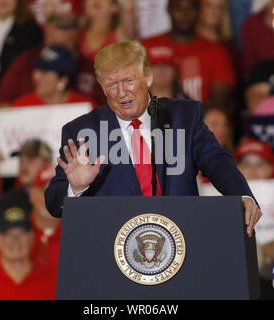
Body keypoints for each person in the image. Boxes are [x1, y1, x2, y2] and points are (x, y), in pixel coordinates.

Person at [45, 41, 262, 238]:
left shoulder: (183, 116)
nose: (121, 93)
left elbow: (216, 161)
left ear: (148, 77)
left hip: (182, 244)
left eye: (129, 80)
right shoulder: (83, 132)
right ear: (102, 88)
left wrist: (242, 195)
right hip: (113, 253)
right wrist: (75, 189)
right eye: (111, 85)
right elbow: (54, 203)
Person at [141, 0, 236, 107]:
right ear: (169, 9)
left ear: (199, 11)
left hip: (201, 121)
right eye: (179, 8)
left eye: (191, 8)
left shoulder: (217, 51)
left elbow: (220, 103)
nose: (185, 14)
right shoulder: (146, 47)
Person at [0, 139, 53, 256]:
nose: (24, 166)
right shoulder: (5, 201)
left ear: (48, 163)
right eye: (21, 161)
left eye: (31, 161)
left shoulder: (61, 199)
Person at [0, 205, 56, 300]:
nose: (15, 240)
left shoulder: (50, 278)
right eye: (8, 234)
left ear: (31, 237)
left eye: (21, 233)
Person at [0, 164, 61, 271]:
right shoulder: (11, 229)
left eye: (60, 190)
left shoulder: (77, 234)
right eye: (44, 190)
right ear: (31, 194)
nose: (52, 197)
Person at [0, 13, 80, 106]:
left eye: (64, 44)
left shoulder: (86, 65)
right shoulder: (25, 60)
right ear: (45, 35)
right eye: (53, 44)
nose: (36, 76)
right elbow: (3, 102)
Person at [76, 0, 136, 106]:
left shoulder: (120, 35)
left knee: (105, 122)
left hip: (110, 106)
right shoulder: (75, 33)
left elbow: (128, 9)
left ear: (115, 8)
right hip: (80, 104)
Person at [12, 44, 98, 108]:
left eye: (44, 72)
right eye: (36, 69)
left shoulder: (85, 107)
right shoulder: (21, 106)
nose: (36, 76)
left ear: (63, 80)